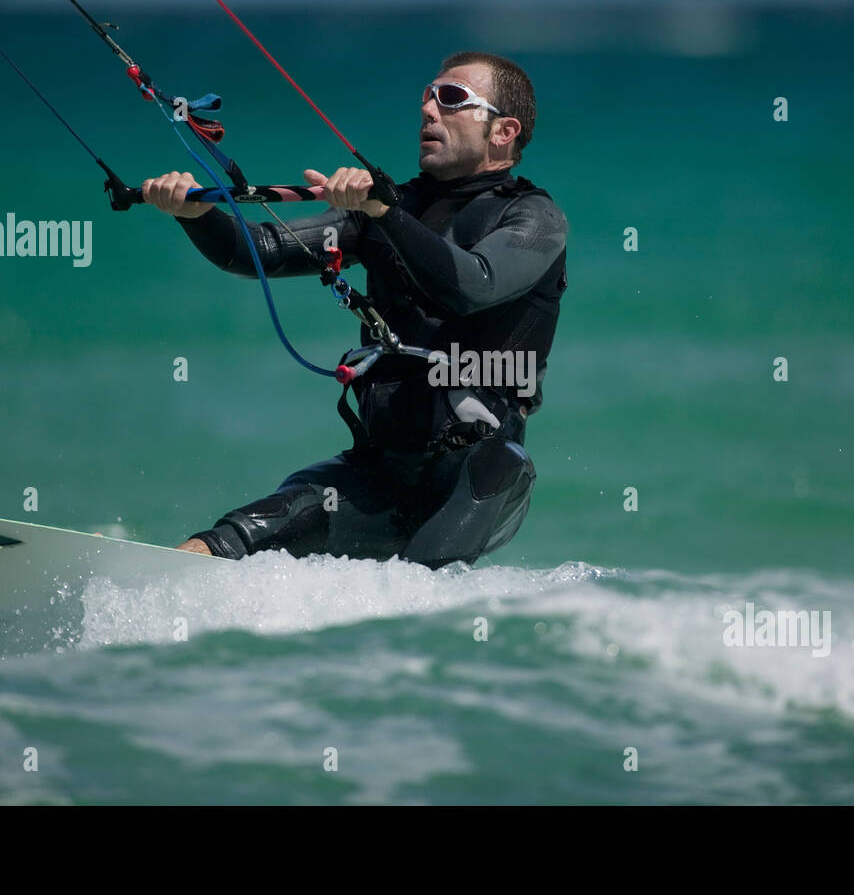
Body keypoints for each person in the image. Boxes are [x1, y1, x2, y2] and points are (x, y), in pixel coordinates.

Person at [143, 52, 567, 568]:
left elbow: (473, 286)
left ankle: (418, 621)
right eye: (427, 97)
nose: (429, 110)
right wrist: (198, 214)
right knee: (236, 536)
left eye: (451, 99)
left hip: (476, 480)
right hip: (379, 475)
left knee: (490, 477)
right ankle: (149, 592)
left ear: (504, 130)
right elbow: (257, 250)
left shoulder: (534, 219)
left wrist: (383, 213)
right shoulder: (386, 210)